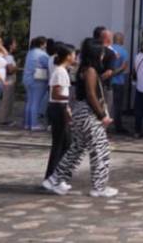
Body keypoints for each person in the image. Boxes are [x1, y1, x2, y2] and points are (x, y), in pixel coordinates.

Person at [43, 38, 118, 197]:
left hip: (81, 112)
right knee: (100, 149)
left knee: (76, 149)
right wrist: (102, 115)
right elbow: (91, 95)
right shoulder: (90, 70)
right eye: (102, 52)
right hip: (87, 113)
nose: (103, 55)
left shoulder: (84, 69)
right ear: (97, 53)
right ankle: (99, 187)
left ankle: (54, 179)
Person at [45, 43, 75, 184]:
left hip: (61, 108)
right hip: (57, 108)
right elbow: (56, 94)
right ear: (68, 56)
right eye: (73, 54)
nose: (75, 57)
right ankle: (52, 176)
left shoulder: (63, 71)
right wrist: (69, 99)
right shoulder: (60, 72)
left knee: (66, 143)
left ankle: (58, 174)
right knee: (60, 144)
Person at [23, 36, 51, 131]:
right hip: (38, 81)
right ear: (42, 44)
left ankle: (27, 123)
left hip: (27, 80)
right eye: (45, 43)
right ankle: (34, 124)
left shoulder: (30, 53)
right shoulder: (42, 55)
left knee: (29, 102)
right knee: (36, 103)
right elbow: (49, 65)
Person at [108, 33, 129, 134]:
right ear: (120, 40)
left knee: (107, 104)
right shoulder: (124, 51)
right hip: (119, 81)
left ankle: (106, 125)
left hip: (107, 81)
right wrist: (115, 73)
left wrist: (109, 74)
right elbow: (124, 67)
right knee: (118, 105)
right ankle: (118, 126)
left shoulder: (108, 49)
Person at [0, 36, 20, 126]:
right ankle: (4, 119)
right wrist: (17, 65)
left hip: (6, 79)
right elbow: (10, 70)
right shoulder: (8, 57)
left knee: (7, 99)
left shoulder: (6, 56)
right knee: (7, 100)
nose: (16, 45)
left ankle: (5, 118)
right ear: (10, 45)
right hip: (9, 79)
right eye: (14, 43)